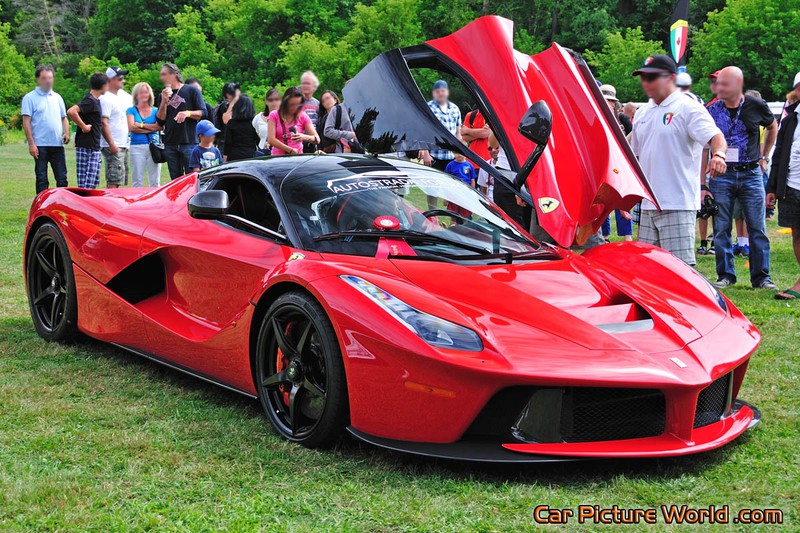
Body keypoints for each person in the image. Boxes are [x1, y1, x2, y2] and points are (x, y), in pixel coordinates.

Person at [629, 54, 727, 266]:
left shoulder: (688, 107)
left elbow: (716, 137)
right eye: (643, 77)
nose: (646, 82)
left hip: (677, 204)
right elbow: (634, 157)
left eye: (652, 77)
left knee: (679, 272)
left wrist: (719, 155)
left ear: (671, 78)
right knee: (648, 271)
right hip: (648, 205)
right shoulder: (642, 112)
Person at [705, 66, 778, 289]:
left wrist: (764, 156)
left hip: (750, 173)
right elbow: (703, 144)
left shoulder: (756, 105)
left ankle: (761, 278)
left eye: (724, 83)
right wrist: (702, 182)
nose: (718, 87)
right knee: (721, 227)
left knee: (757, 226)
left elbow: (772, 126)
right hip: (722, 174)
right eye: (717, 83)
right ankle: (726, 275)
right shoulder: (711, 109)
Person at [767, 72, 800, 299]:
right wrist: (771, 188)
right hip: (792, 185)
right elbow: (778, 156)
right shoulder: (790, 120)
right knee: (797, 235)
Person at [21, 65, 70, 193]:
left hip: (57, 144)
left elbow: (64, 118)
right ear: (38, 79)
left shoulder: (57, 97)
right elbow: (26, 121)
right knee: (42, 178)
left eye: (50, 77)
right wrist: (31, 144)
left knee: (62, 178)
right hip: (40, 144)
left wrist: (66, 132)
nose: (48, 80)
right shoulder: (30, 98)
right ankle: (42, 205)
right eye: (44, 78)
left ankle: (62, 204)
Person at [156, 63, 207, 180]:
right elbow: (160, 120)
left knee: (192, 179)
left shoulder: (191, 91)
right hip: (170, 142)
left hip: (189, 142)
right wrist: (164, 101)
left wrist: (187, 113)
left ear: (174, 74)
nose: (161, 77)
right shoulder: (163, 95)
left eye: (163, 74)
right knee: (175, 180)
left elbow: (204, 112)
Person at [67, 72, 108, 189]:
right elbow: (71, 111)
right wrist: (83, 126)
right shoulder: (90, 101)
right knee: (85, 186)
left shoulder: (96, 101)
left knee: (93, 184)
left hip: (94, 146)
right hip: (86, 147)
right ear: (103, 85)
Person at [99, 66, 132, 189]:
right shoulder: (105, 98)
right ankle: (109, 203)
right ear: (110, 80)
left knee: (120, 178)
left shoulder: (126, 97)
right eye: (120, 78)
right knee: (113, 178)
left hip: (124, 143)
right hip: (112, 145)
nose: (123, 80)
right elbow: (104, 123)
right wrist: (112, 144)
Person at [419, 80, 462, 171]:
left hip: (451, 156)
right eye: (437, 91)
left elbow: (458, 133)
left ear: (447, 92)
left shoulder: (455, 109)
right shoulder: (428, 107)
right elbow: (423, 131)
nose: (440, 94)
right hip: (434, 156)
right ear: (434, 93)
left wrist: (460, 152)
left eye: (443, 91)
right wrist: (426, 154)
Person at [126, 82, 162, 187]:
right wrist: (152, 128)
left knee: (155, 179)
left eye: (146, 92)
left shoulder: (156, 110)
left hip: (154, 147)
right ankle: (137, 201)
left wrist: (141, 125)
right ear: (136, 95)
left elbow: (159, 127)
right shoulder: (131, 110)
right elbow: (132, 127)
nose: (143, 95)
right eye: (140, 93)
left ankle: (155, 201)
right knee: (137, 179)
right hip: (137, 146)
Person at [267, 86, 319, 156]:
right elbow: (271, 139)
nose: (295, 107)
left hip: (297, 157)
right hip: (278, 158)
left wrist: (304, 137)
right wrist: (290, 150)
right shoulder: (274, 115)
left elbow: (317, 139)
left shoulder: (302, 115)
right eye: (292, 104)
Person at [222, 94, 259, 162]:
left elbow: (228, 143)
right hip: (250, 155)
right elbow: (258, 141)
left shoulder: (231, 123)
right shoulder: (254, 122)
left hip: (234, 156)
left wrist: (225, 157)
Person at [253, 88, 280, 156]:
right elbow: (257, 132)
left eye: (276, 99)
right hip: (263, 152)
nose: (274, 102)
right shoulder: (258, 117)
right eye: (270, 100)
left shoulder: (286, 117)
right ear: (266, 101)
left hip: (280, 152)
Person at [214, 82, 240, 152]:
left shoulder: (222, 104)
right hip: (226, 141)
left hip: (224, 140)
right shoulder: (226, 105)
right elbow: (227, 121)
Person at [299, 71, 320, 152]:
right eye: (303, 83)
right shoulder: (295, 103)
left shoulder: (318, 104)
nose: (305, 86)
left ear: (314, 87)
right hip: (298, 143)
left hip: (314, 142)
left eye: (308, 83)